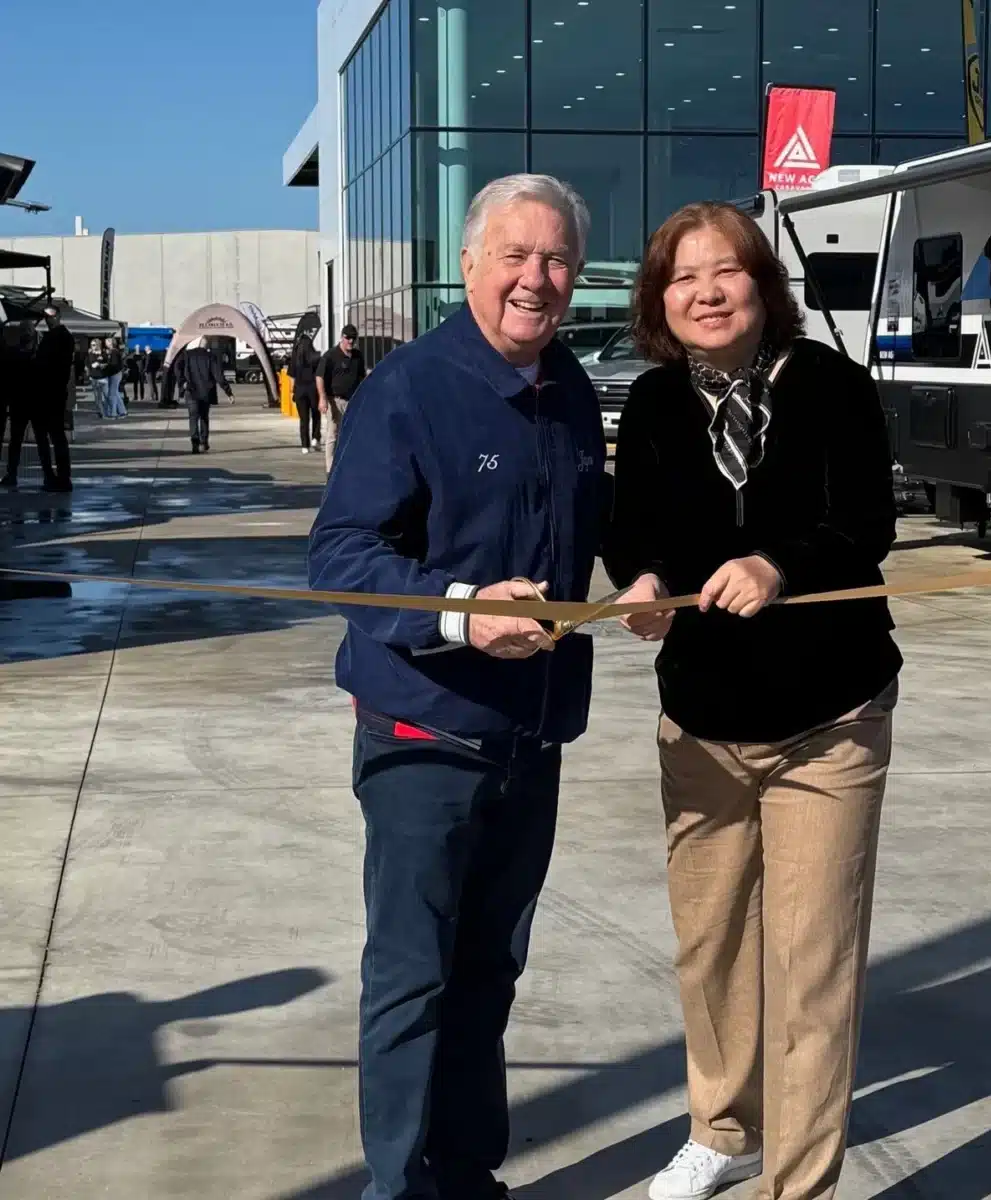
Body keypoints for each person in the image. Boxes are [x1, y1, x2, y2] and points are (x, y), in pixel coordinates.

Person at [308, 174, 607, 1200]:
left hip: (532, 737)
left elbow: (587, 538)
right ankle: (393, 1186)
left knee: (490, 974)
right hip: (424, 734)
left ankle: (466, 1173)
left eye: (557, 259)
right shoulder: (410, 388)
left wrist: (650, 579)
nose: (537, 279)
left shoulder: (569, 391)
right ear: (471, 262)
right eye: (515, 256)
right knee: (412, 977)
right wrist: (459, 608)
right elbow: (340, 554)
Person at [603, 202, 903, 1200]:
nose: (704, 293)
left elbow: (864, 519)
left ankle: (799, 1182)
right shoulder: (651, 404)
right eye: (681, 279)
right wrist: (641, 582)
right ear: (658, 301)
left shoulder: (828, 384)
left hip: (827, 718)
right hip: (701, 722)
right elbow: (632, 526)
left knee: (811, 965)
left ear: (759, 282)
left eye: (723, 271)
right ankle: (724, 1127)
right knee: (712, 947)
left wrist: (778, 565)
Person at [1, 321, 56, 490]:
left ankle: (16, 474)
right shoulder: (37, 354)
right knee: (32, 441)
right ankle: (45, 475)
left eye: (28, 330)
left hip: (25, 402)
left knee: (27, 441)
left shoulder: (16, 353)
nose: (26, 333)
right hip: (30, 402)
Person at [33, 306, 75, 489]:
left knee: (51, 437)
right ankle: (56, 476)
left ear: (58, 317)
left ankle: (57, 477)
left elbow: (46, 365)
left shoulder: (58, 337)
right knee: (53, 437)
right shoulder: (61, 337)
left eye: (51, 316)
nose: (49, 320)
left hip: (50, 393)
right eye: (46, 317)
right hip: (52, 392)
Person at [316, 323, 366, 474]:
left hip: (352, 401)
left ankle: (348, 466)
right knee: (334, 432)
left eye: (353, 338)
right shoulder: (331, 355)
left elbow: (362, 377)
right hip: (335, 401)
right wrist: (322, 399)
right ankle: (330, 470)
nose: (350, 341)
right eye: (348, 338)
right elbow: (319, 377)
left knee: (352, 433)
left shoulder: (357, 356)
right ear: (342, 337)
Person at [175, 336, 233, 453]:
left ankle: (194, 444)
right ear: (207, 346)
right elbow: (219, 376)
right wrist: (228, 392)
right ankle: (204, 443)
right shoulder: (211, 357)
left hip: (191, 391)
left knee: (193, 418)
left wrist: (182, 382)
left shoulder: (187, 355)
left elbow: (177, 367)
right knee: (204, 418)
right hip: (206, 392)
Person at [288, 330, 322, 454]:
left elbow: (292, 377)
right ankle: (315, 437)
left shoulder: (295, 360)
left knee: (304, 419)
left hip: (300, 390)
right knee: (316, 415)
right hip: (313, 389)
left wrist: (293, 391)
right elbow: (320, 375)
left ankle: (304, 446)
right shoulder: (316, 358)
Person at [104, 337, 127, 419]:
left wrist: (106, 367)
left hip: (114, 375)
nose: (105, 343)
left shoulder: (113, 352)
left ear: (110, 343)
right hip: (116, 374)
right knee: (116, 394)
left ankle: (113, 413)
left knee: (112, 395)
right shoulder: (115, 351)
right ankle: (122, 411)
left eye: (106, 342)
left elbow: (114, 365)